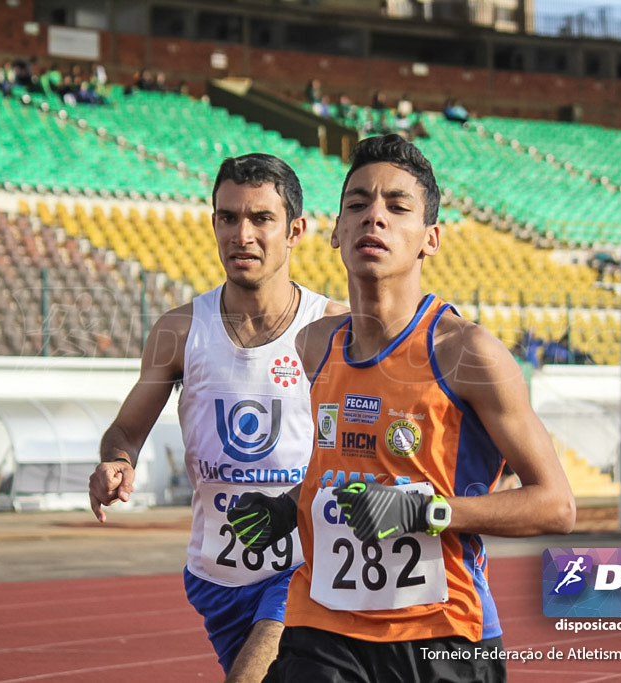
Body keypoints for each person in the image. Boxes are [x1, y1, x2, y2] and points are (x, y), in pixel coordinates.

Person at [228, 134, 575, 681]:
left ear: (429, 239)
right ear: (336, 232)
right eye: (358, 205)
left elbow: (555, 506)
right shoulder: (314, 346)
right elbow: (341, 469)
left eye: (397, 206)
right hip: (323, 627)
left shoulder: (467, 353)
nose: (375, 219)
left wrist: (426, 512)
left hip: (441, 638)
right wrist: (285, 507)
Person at [88, 153, 345, 682]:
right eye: (228, 217)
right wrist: (116, 461)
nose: (242, 234)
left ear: (296, 229)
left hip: (304, 563)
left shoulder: (334, 327)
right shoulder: (178, 330)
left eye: (260, 219)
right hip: (216, 574)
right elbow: (125, 431)